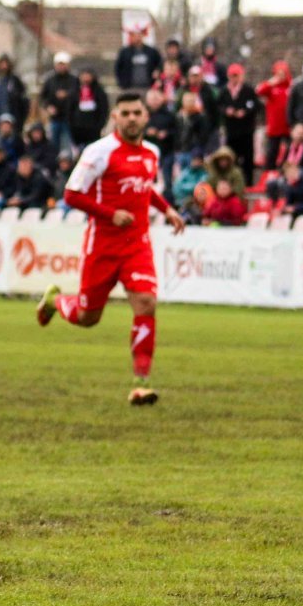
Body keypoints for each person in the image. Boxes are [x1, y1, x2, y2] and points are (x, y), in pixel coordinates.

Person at [35, 92, 185, 405]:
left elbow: (144, 189)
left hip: (137, 245)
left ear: (146, 116)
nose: (132, 118)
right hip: (102, 245)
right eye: (125, 113)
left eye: (137, 112)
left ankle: (140, 383)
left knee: (146, 303)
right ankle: (56, 300)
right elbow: (72, 194)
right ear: (116, 117)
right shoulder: (99, 152)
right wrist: (110, 214)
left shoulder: (152, 153)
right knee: (88, 317)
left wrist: (167, 208)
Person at [217, 64, 258, 185]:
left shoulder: (248, 90)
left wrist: (245, 112)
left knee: (248, 159)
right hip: (231, 131)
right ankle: (232, 183)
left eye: (236, 76)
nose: (234, 79)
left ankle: (249, 183)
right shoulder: (224, 91)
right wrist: (226, 111)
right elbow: (219, 106)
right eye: (232, 76)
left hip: (246, 130)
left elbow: (255, 106)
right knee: (231, 158)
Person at [255, 61, 292, 170]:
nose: (281, 76)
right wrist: (270, 82)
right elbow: (259, 91)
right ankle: (269, 172)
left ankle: (284, 170)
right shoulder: (271, 88)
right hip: (275, 127)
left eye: (283, 73)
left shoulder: (290, 87)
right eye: (278, 73)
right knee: (272, 152)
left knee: (289, 151)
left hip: (288, 126)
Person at [40, 51, 77, 152]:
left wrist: (67, 95)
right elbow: (43, 97)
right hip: (54, 118)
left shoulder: (74, 80)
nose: (61, 67)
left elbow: (77, 95)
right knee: (53, 145)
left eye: (63, 64)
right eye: (59, 64)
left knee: (68, 145)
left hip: (69, 118)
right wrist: (48, 107)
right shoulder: (50, 80)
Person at [144, 88, 176, 192]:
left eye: (157, 98)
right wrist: (146, 132)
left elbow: (176, 131)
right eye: (152, 99)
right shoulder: (143, 114)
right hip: (147, 153)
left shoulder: (169, 114)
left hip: (166, 152)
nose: (154, 101)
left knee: (167, 181)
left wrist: (166, 133)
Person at [69, 69, 109, 150]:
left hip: (93, 128)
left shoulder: (99, 91)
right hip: (78, 129)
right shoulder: (74, 91)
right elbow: (70, 109)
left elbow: (104, 109)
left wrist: (100, 125)